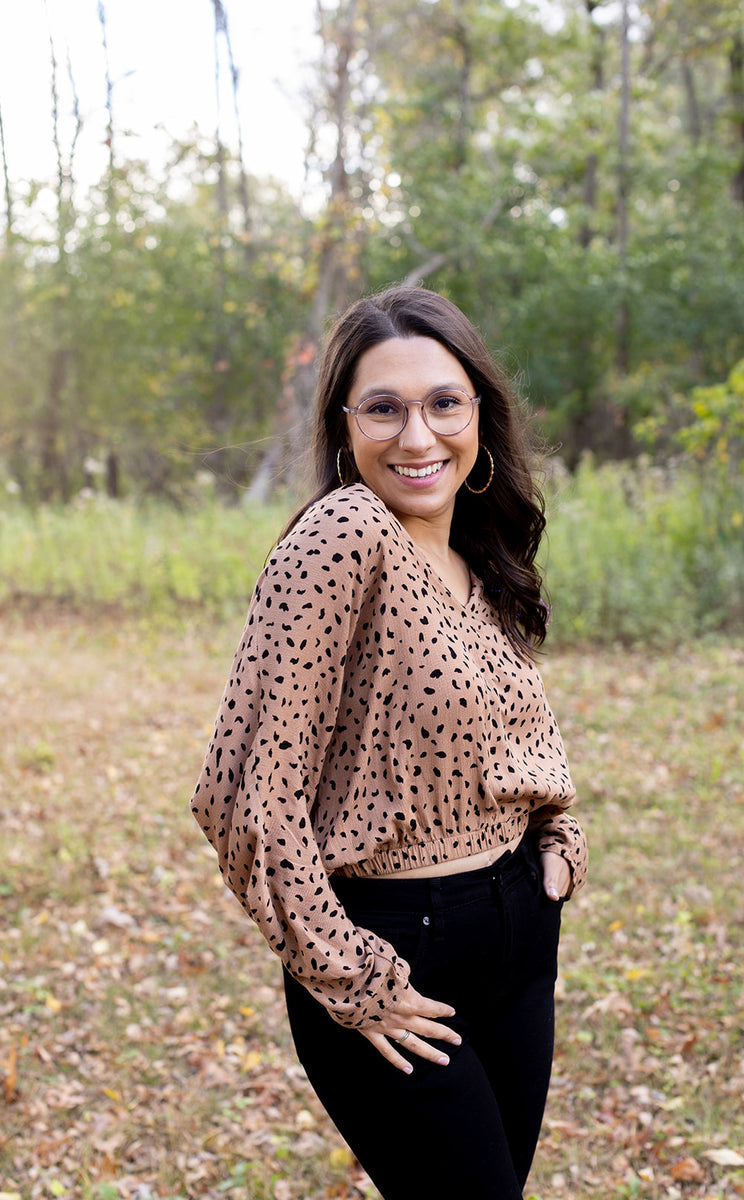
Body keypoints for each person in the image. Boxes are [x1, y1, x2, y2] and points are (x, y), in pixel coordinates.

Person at [190, 285, 587, 1199]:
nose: (418, 437)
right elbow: (245, 790)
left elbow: (509, 731)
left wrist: (555, 837)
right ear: (344, 424)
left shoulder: (476, 553)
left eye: (444, 403)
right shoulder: (345, 533)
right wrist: (345, 967)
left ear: (480, 413)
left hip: (519, 931)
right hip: (399, 948)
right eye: (385, 407)